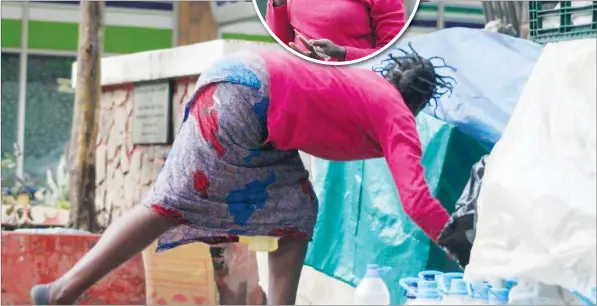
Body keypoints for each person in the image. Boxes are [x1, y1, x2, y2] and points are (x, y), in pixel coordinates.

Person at [31, 44, 457, 305]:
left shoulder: (364, 83)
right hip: (246, 97)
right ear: (418, 101)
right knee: (167, 205)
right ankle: (63, 291)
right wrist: (461, 244)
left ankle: (63, 290)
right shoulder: (397, 113)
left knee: (296, 211)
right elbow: (417, 199)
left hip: (242, 86)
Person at [266, 0, 406, 62]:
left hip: (354, 86)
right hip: (301, 82)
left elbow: (394, 53)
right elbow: (280, 41)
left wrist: (341, 53)